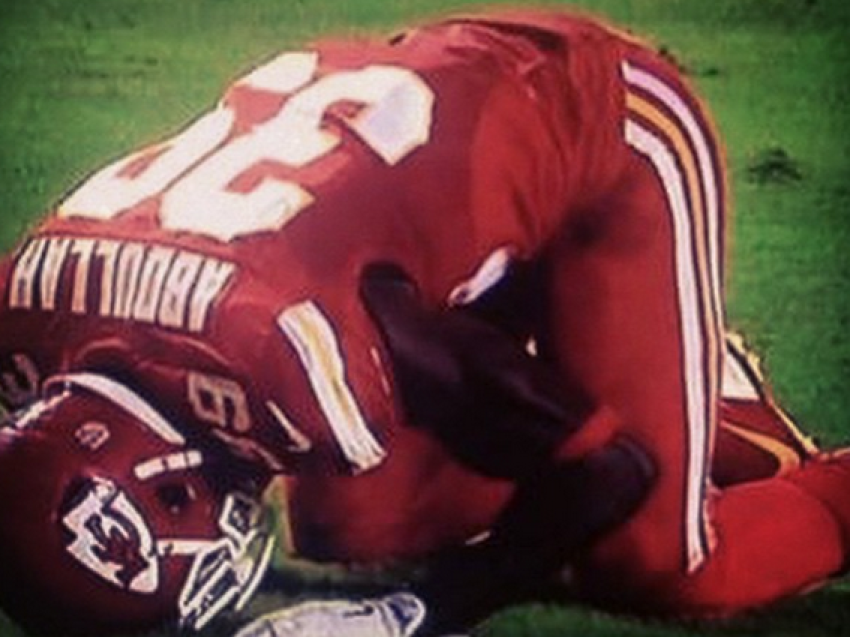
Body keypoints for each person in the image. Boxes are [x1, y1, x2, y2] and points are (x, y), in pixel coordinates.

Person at [0, 8, 846, 636]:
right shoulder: (23, 321)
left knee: (656, 563)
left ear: (170, 480)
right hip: (408, 168)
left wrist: (422, 610)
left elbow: (608, 468)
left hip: (606, 123)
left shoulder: (292, 342)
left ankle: (759, 430)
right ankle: (661, 382)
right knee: (355, 529)